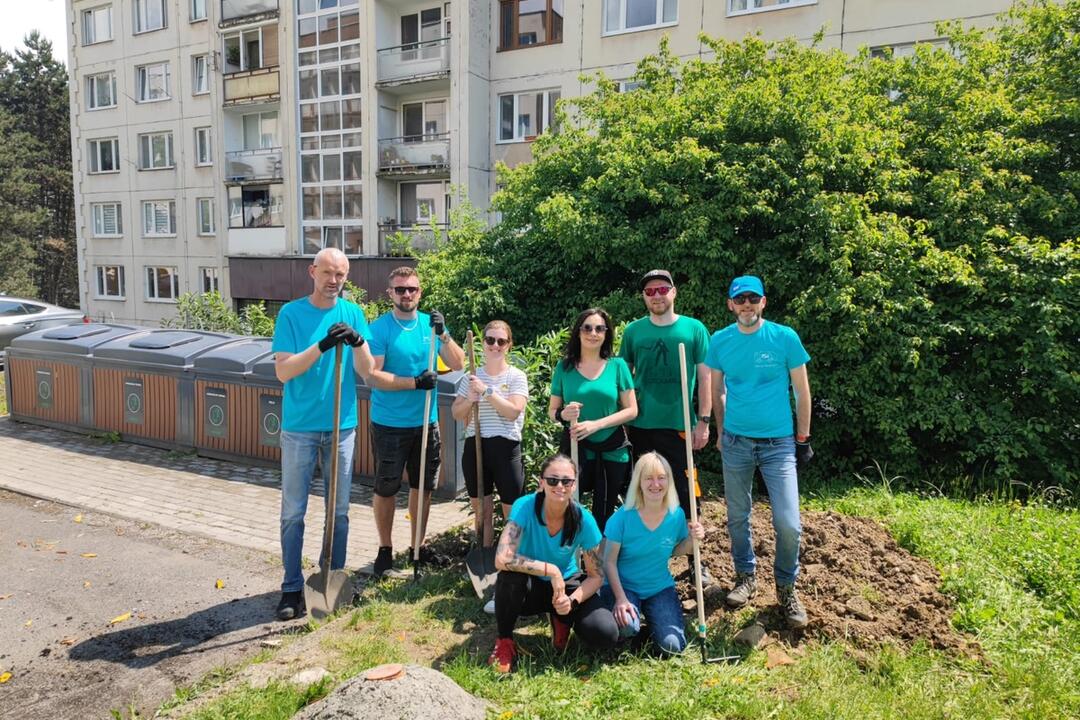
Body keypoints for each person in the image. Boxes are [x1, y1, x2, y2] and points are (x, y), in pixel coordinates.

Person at [271, 248, 374, 620]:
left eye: (341, 275)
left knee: (340, 512)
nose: (334, 281)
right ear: (312, 271)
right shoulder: (291, 314)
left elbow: (367, 371)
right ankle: (291, 588)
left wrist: (359, 342)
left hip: (341, 425)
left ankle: (333, 579)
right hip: (300, 426)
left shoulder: (353, 313)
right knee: (293, 512)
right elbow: (284, 371)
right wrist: (322, 345)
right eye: (328, 273)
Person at [706, 275, 813, 629]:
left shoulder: (784, 337)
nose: (747, 305)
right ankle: (746, 576)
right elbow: (717, 390)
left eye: (753, 298)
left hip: (778, 444)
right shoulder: (720, 341)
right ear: (731, 304)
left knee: (789, 523)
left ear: (763, 302)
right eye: (741, 299)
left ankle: (785, 586)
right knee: (737, 516)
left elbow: (801, 391)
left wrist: (803, 438)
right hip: (736, 442)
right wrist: (721, 431)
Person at [366, 266, 464, 577]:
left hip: (426, 423)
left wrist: (444, 333)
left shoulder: (430, 327)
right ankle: (385, 550)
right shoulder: (379, 329)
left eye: (411, 289)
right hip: (389, 424)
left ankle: (417, 549)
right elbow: (373, 376)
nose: (406, 294)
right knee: (386, 489)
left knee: (422, 488)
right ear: (390, 293)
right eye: (400, 290)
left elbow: (458, 363)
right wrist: (413, 383)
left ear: (420, 293)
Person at [619, 269, 713, 585]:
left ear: (673, 292)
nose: (656, 296)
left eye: (662, 289)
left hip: (679, 425)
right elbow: (622, 378)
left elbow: (706, 377)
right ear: (644, 298)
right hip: (641, 425)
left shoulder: (694, 329)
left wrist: (704, 421)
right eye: (650, 292)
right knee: (644, 490)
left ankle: (695, 560)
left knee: (687, 490)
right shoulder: (634, 332)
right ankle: (645, 554)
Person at [488, 454, 619, 673]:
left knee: (605, 634)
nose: (560, 486)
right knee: (509, 577)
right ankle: (505, 641)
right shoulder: (524, 507)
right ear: (541, 482)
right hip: (529, 586)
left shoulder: (583, 519)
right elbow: (502, 558)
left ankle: (562, 617)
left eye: (566, 481)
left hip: (566, 587)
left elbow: (596, 576)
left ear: (574, 485)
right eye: (552, 480)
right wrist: (551, 570)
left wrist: (573, 601)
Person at [600, 452, 704, 654]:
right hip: (624, 587)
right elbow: (608, 562)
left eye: (661, 477)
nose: (655, 484)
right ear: (639, 482)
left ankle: (650, 627)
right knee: (627, 626)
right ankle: (630, 625)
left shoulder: (676, 514)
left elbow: (676, 550)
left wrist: (693, 540)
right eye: (648, 478)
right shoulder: (622, 518)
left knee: (672, 647)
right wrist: (620, 599)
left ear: (669, 481)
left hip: (658, 587)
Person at [548, 308, 637, 532]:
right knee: (570, 504)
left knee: (605, 511)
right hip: (577, 448)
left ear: (607, 334)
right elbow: (553, 411)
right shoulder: (564, 368)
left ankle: (601, 559)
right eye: (587, 327)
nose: (593, 333)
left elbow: (632, 410)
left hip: (613, 449)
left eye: (600, 328)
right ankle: (575, 556)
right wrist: (563, 415)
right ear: (578, 332)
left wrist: (596, 424)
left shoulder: (617, 366)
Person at [451, 320, 529, 555]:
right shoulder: (470, 377)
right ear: (483, 344)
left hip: (506, 449)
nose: (495, 345)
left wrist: (486, 391)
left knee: (512, 512)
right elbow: (457, 413)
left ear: (509, 345)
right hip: (476, 447)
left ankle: (512, 561)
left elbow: (513, 411)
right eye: (490, 340)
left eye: (501, 341)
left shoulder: (516, 376)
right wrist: (469, 399)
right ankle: (485, 557)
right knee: (482, 510)